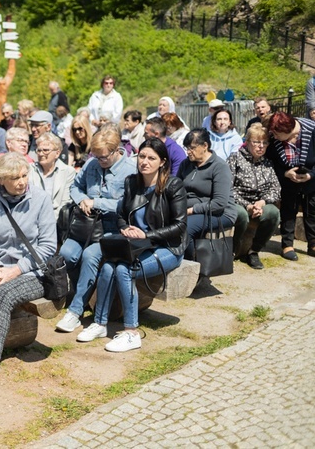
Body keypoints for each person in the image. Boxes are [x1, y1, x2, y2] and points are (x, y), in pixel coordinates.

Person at [78, 138, 187, 352]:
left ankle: (131, 332)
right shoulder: (131, 182)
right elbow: (120, 215)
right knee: (109, 266)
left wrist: (146, 234)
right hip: (135, 245)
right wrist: (125, 228)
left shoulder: (173, 186)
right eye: (142, 156)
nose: (145, 162)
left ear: (163, 162)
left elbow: (180, 226)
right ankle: (100, 324)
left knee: (124, 269)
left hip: (167, 247)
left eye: (151, 158)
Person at [0, 152, 56, 399]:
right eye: (15, 177)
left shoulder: (41, 199)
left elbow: (47, 246)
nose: (21, 181)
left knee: (1, 297)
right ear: (2, 179)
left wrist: (15, 271)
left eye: (24, 175)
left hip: (32, 270)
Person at [55, 130, 135, 334]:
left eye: (104, 157)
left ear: (117, 151)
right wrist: (82, 199)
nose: (99, 161)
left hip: (113, 229)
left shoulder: (130, 170)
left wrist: (97, 202)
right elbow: (75, 186)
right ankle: (78, 294)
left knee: (90, 256)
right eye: (96, 156)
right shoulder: (92, 164)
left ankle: (75, 311)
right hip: (85, 227)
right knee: (67, 254)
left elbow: (127, 204)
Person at [177, 129, 238, 260]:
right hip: (190, 209)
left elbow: (219, 203)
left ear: (205, 146)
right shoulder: (186, 164)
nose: (188, 151)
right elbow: (177, 190)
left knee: (186, 228)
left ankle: (194, 267)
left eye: (192, 148)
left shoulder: (219, 167)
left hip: (219, 213)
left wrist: (191, 210)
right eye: (187, 148)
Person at [228, 123, 281, 269]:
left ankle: (253, 251)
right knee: (241, 215)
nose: (261, 146)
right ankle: (234, 250)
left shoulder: (267, 163)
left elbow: (275, 188)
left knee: (274, 213)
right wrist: (248, 206)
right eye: (256, 142)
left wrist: (262, 203)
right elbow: (227, 188)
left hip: (260, 203)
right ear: (247, 142)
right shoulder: (235, 159)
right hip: (238, 202)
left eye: (264, 143)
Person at [268, 112, 315, 260]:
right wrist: (285, 173)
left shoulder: (312, 130)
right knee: (288, 211)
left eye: (277, 134)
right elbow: (271, 162)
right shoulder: (274, 139)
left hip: (310, 178)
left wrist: (311, 175)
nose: (275, 137)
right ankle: (287, 244)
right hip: (288, 181)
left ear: (287, 130)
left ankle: (313, 243)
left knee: (312, 211)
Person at [29, 132, 77, 220]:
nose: (41, 153)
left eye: (46, 150)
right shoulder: (29, 169)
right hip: (31, 220)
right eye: (39, 150)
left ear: (57, 153)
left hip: (56, 222)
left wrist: (46, 222)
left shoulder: (68, 172)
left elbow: (65, 204)